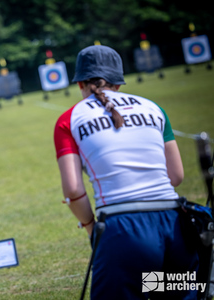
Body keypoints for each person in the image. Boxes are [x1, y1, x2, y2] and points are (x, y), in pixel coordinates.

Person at [54, 45, 199, 299]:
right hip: (176, 227)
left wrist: (90, 227)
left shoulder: (68, 119)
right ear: (118, 83)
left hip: (123, 231)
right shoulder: (153, 108)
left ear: (80, 84)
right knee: (167, 289)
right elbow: (175, 176)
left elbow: (73, 189)